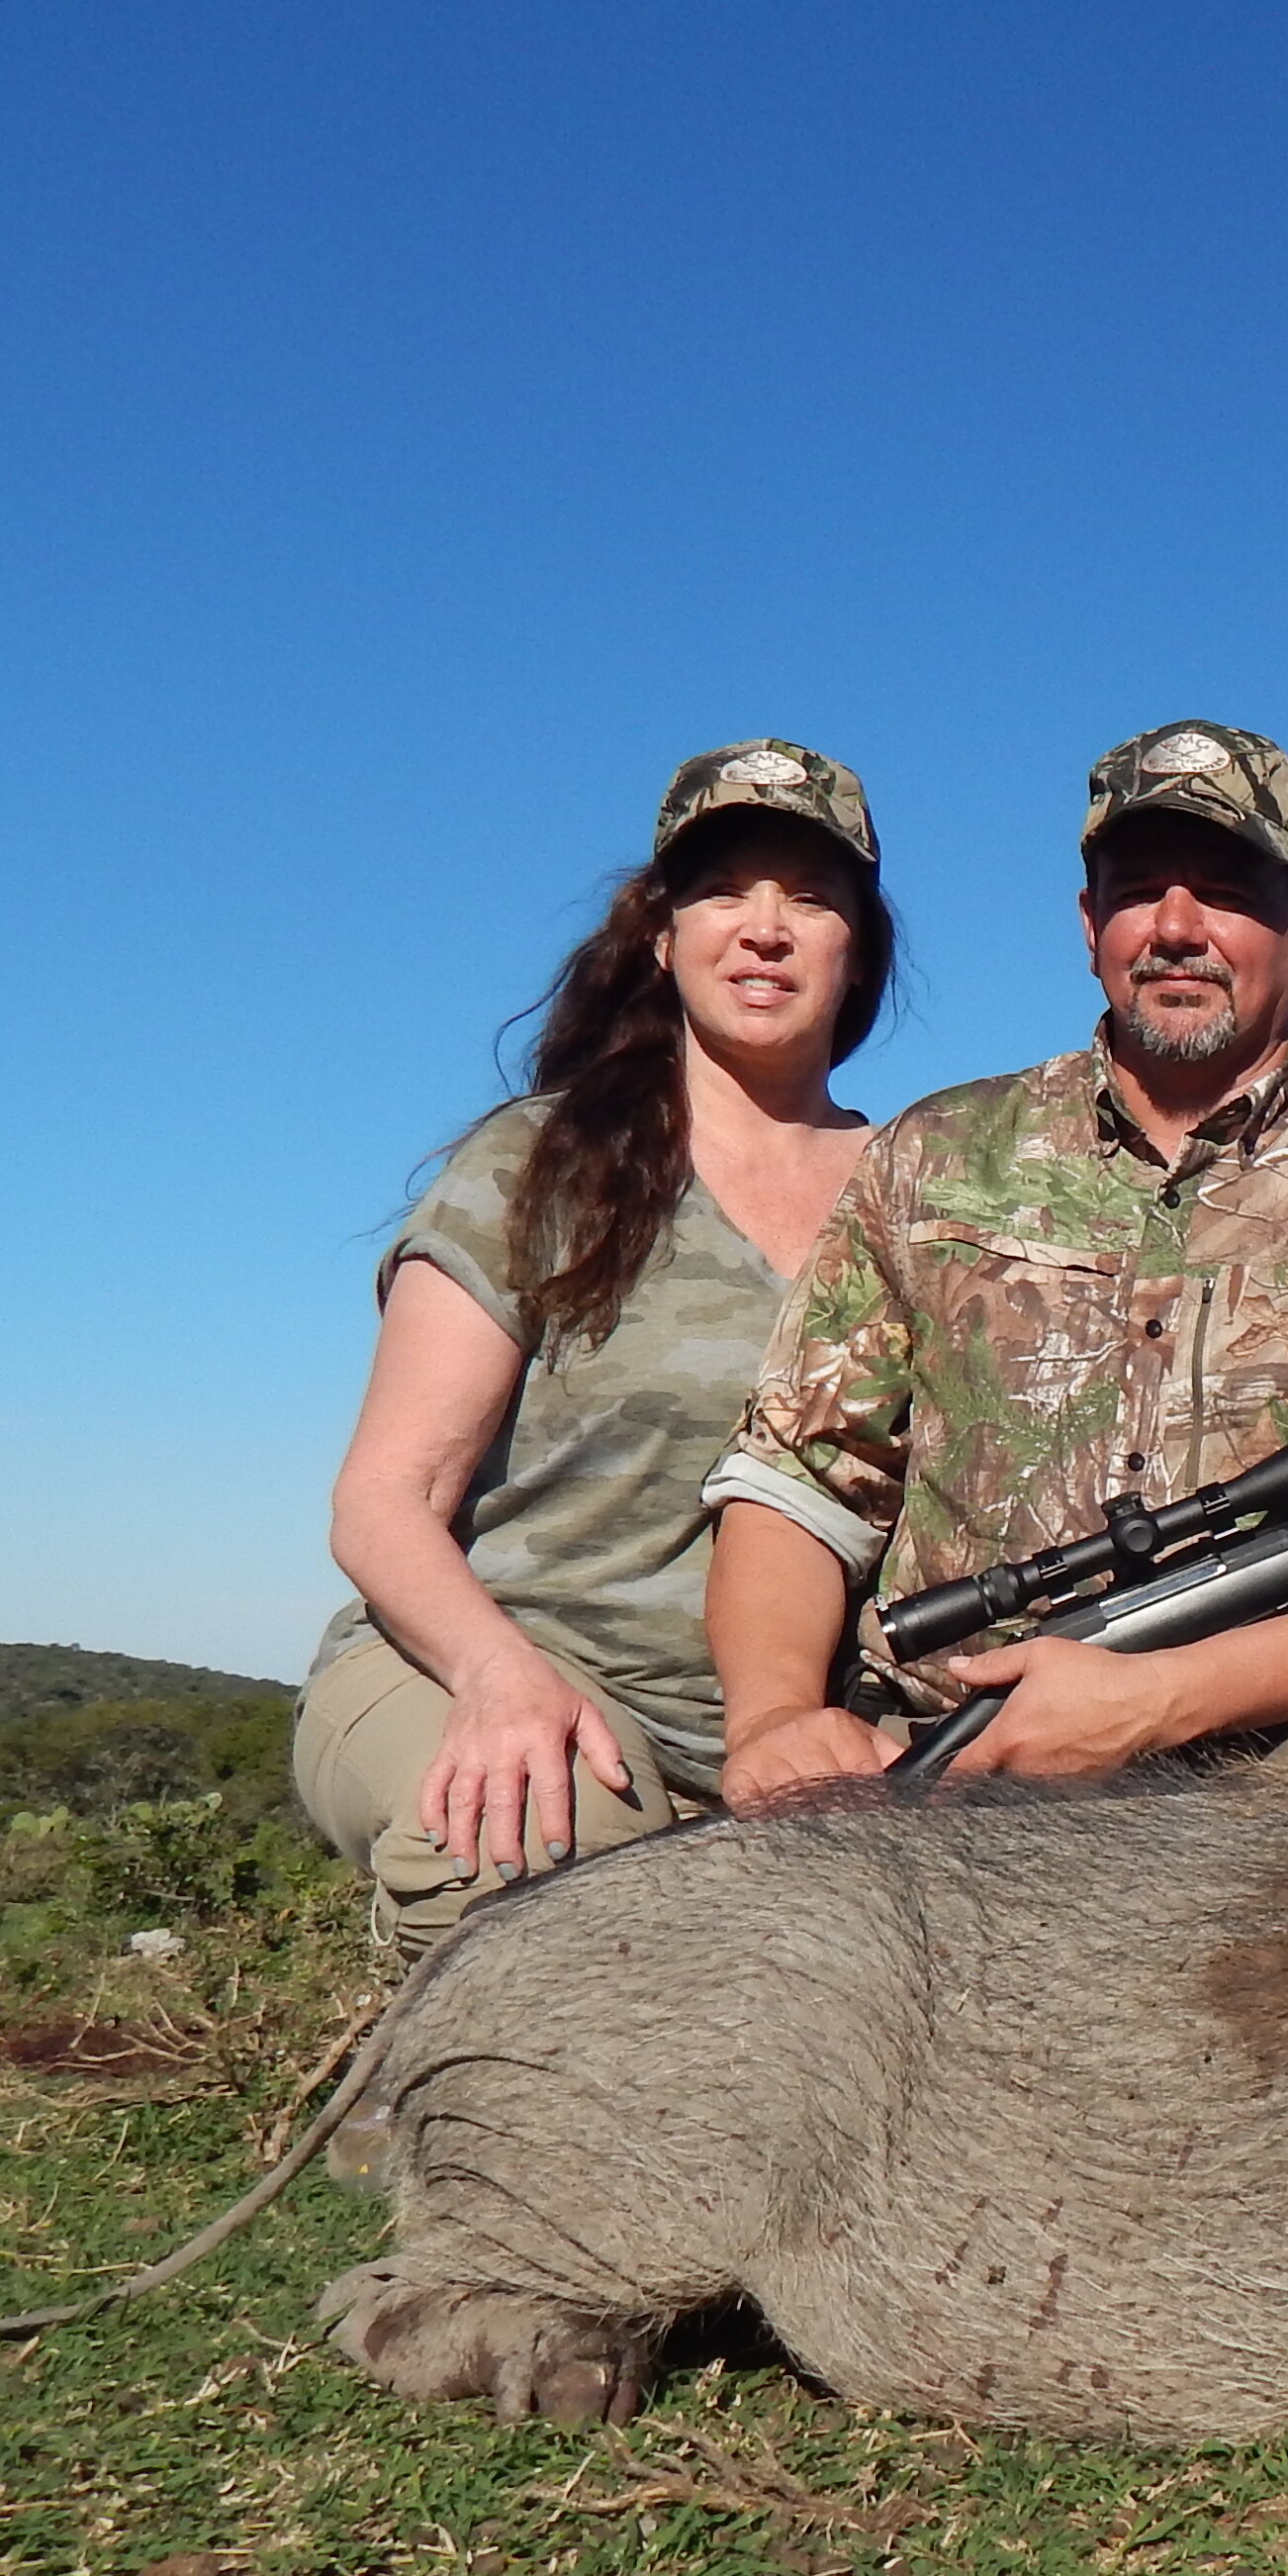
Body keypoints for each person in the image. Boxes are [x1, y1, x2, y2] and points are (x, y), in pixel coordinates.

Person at [704, 719, 1288, 1800]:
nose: (1177, 928)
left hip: (1277, 1760)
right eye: (1140, 889)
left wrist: (1160, 1700)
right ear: (1092, 924)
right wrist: (774, 1720)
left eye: (1230, 890)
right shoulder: (934, 1155)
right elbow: (797, 1478)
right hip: (942, 1749)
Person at [296, 741, 897, 1955]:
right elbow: (383, 1499)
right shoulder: (537, 1162)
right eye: (724, 891)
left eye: (812, 897)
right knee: (538, 1877)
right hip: (501, 1662)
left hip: (789, 1729)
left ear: (857, 951)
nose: (766, 929)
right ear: (662, 937)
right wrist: (498, 1675)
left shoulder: (924, 1193)